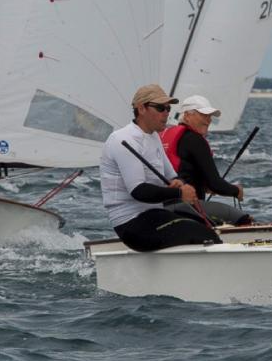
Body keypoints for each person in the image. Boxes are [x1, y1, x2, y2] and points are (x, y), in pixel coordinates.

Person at [99, 84, 222, 252]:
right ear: (141, 108)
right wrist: (179, 193)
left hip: (152, 215)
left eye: (168, 108)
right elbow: (138, 191)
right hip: (130, 223)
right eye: (160, 108)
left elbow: (172, 175)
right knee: (206, 236)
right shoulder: (123, 139)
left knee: (208, 227)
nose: (166, 113)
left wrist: (179, 183)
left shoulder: (153, 136)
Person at [160, 95, 251, 226]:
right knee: (243, 219)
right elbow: (216, 184)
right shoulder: (195, 140)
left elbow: (184, 172)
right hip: (186, 207)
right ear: (187, 115)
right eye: (203, 115)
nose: (208, 120)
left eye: (209, 116)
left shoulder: (168, 136)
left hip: (164, 206)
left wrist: (205, 187)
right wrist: (237, 191)